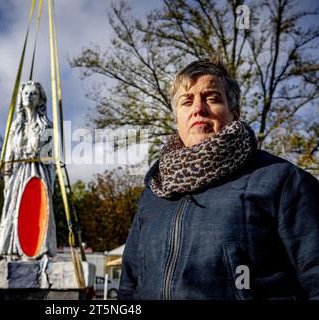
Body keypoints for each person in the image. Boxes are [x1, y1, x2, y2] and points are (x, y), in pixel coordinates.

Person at [119, 59, 319, 300]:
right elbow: (130, 285)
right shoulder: (153, 193)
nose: (198, 109)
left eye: (212, 98)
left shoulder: (283, 180)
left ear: (234, 114)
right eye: (187, 101)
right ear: (177, 120)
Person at [0, 81, 57, 260]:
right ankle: (13, 249)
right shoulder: (15, 127)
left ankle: (39, 249)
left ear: (40, 99)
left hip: (38, 172)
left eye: (33, 94)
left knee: (37, 210)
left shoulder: (47, 126)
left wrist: (51, 180)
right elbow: (9, 154)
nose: (29, 97)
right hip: (19, 173)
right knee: (15, 210)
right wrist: (7, 175)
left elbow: (50, 158)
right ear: (21, 99)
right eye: (26, 94)